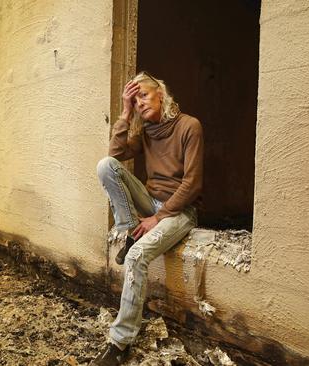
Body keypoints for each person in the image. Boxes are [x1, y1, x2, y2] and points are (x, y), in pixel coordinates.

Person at [92, 71, 204, 365]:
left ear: (161, 95)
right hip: (152, 203)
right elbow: (115, 155)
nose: (139, 102)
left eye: (143, 95)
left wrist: (160, 216)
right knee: (105, 166)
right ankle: (130, 230)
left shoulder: (189, 126)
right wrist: (125, 112)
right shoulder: (145, 133)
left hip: (180, 210)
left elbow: (192, 184)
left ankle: (120, 342)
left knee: (137, 256)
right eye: (134, 99)